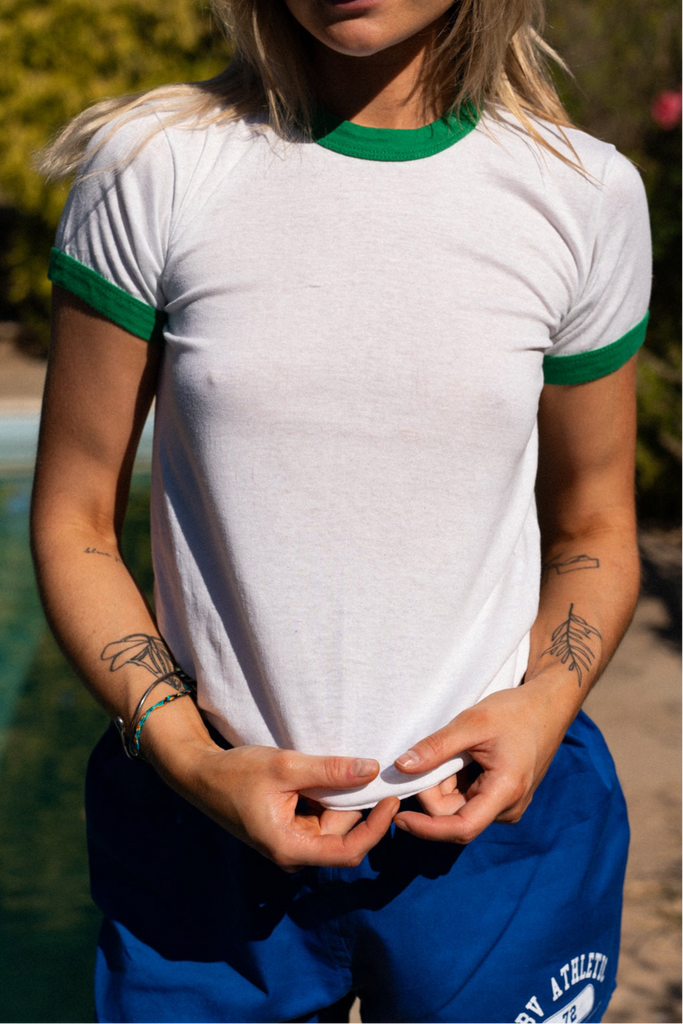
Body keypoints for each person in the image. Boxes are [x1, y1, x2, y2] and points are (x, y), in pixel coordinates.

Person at [31, 1, 651, 1021]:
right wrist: (189, 756)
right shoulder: (153, 168)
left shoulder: (581, 194)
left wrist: (544, 707)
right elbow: (75, 521)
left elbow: (594, 528)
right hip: (202, 835)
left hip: (492, 840)